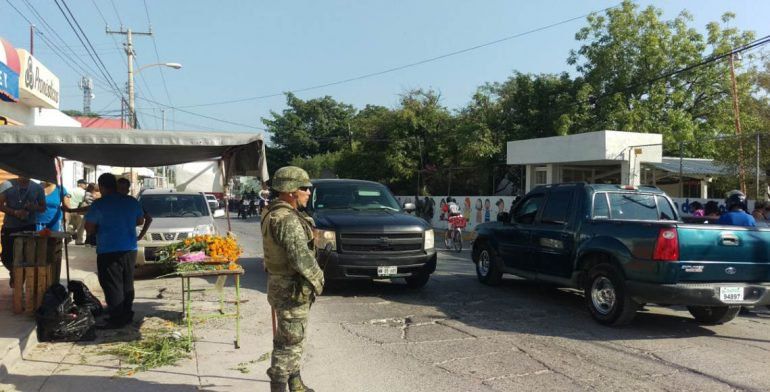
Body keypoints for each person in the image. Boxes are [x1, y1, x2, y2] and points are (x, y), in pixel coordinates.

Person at [261, 166, 324, 392]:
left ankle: (295, 384)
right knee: (289, 343)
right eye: (304, 188)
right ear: (290, 191)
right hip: (290, 290)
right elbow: (300, 259)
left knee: (290, 338)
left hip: (282, 286)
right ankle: (279, 387)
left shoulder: (272, 212)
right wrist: (319, 280)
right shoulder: (287, 219)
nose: (309, 192)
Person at [84, 174, 145, 329]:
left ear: (102, 187)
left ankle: (117, 318)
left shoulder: (99, 204)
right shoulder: (131, 201)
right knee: (127, 282)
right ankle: (127, 313)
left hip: (108, 249)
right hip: (130, 248)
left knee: (112, 284)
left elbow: (89, 227)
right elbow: (140, 221)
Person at [0, 177, 46, 286]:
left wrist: (33, 207)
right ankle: (14, 271)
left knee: (28, 254)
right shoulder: (7, 184)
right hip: (10, 226)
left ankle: (20, 275)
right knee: (6, 256)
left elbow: (43, 207)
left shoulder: (37, 188)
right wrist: (15, 212)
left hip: (29, 226)